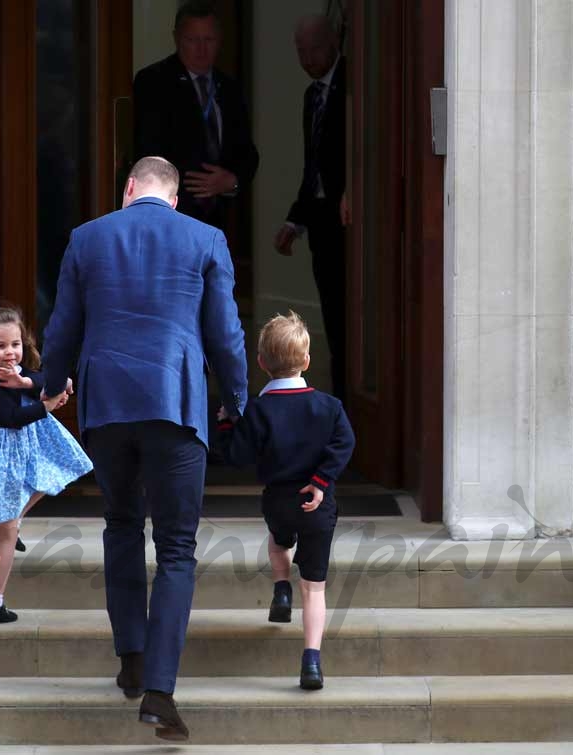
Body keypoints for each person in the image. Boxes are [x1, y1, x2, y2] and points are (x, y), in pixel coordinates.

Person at [41, 156, 247, 741]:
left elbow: (62, 328)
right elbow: (225, 331)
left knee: (122, 524)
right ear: (174, 199)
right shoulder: (206, 238)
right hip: (177, 402)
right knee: (177, 547)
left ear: (128, 189)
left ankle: (130, 656)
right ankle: (160, 691)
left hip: (107, 404)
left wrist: (53, 385)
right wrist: (237, 397)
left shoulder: (87, 238)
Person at [217, 311, 355, 690]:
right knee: (315, 587)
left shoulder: (259, 411)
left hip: (278, 501)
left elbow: (237, 455)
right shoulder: (329, 407)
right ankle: (311, 661)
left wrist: (228, 422)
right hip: (317, 505)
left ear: (261, 363)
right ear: (307, 360)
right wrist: (321, 481)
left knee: (279, 542)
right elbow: (344, 444)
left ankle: (280, 586)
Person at [0, 305, 92, 624]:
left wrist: (42, 384)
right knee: (8, 533)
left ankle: (10, 520)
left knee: (51, 477)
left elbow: (37, 377)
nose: (10, 353)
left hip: (20, 452)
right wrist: (47, 405)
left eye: (15, 345)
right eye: (0, 347)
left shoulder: (15, 370)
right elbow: (14, 419)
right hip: (1, 458)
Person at [133, 0, 259, 230]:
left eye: (208, 40)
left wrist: (232, 182)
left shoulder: (229, 88)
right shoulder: (154, 81)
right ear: (177, 38)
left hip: (221, 218)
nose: (201, 49)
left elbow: (247, 152)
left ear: (220, 40)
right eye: (192, 40)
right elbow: (148, 150)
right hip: (171, 215)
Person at [274, 15, 348, 401]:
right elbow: (314, 165)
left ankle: (352, 400)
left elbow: (369, 146)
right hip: (321, 221)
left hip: (351, 219)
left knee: (352, 316)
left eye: (315, 48)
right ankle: (343, 395)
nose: (307, 57)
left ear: (334, 41)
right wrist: (295, 219)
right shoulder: (311, 95)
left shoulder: (355, 83)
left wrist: (356, 189)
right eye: (300, 51)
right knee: (333, 312)